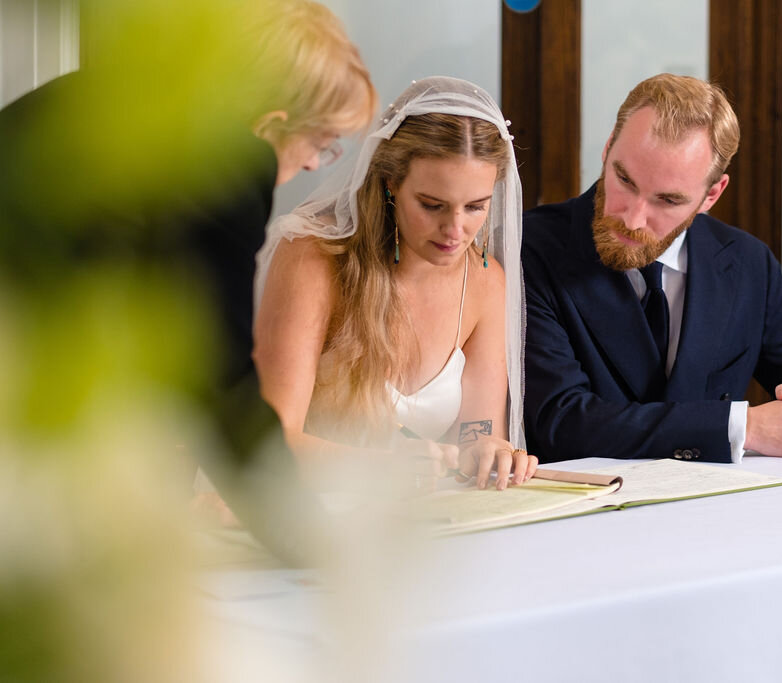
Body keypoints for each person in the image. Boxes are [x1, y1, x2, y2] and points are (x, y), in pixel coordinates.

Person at [0, 0, 376, 561]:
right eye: (322, 143)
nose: (318, 164)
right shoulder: (229, 167)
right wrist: (309, 541)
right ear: (273, 125)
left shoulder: (113, 99)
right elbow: (224, 378)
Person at [522, 73, 782, 465]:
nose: (633, 219)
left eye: (667, 200)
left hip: (716, 514)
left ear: (712, 195)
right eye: (624, 179)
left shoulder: (747, 262)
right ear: (607, 150)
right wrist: (746, 428)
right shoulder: (527, 247)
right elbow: (560, 422)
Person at [254, 76, 538, 491]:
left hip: (422, 526)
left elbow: (475, 435)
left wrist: (487, 451)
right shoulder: (311, 258)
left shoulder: (484, 281)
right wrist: (382, 466)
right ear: (390, 182)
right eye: (432, 205)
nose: (455, 230)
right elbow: (270, 442)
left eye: (476, 206)